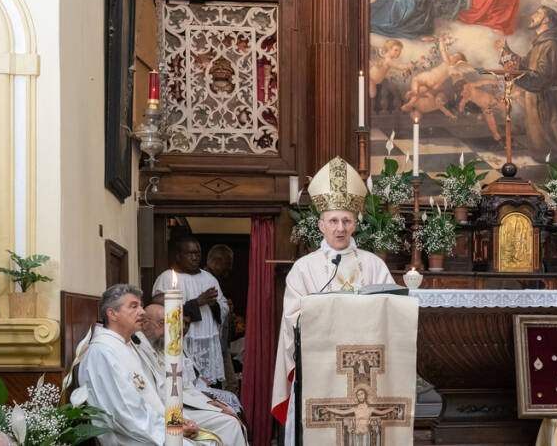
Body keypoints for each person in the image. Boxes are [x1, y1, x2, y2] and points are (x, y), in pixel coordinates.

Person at [272, 156, 395, 443]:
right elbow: (293, 319)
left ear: (355, 223)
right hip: (321, 368)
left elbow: (393, 308)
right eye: (333, 221)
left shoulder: (374, 265)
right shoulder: (304, 268)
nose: (340, 228)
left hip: (367, 369)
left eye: (346, 220)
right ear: (321, 224)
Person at [78, 284, 202, 445]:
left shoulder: (128, 346)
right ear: (112, 313)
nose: (142, 312)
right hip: (131, 438)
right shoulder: (102, 353)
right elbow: (126, 414)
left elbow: (157, 391)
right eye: (134, 306)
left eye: (141, 306)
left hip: (151, 428)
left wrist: (177, 421)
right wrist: (170, 431)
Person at [134, 304, 248, 446]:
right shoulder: (137, 349)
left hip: (183, 405)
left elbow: (185, 385)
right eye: (162, 323)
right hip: (164, 411)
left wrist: (211, 404)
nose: (168, 330)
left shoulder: (163, 347)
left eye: (170, 324)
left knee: (230, 418)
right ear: (144, 324)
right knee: (229, 424)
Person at [494, 6, 557, 159]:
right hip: (537, 101)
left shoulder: (551, 45)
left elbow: (543, 78)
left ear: (546, 20)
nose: (533, 16)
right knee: (543, 148)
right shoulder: (541, 44)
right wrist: (505, 50)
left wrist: (519, 78)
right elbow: (523, 64)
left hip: (547, 102)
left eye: (538, 13)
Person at [152, 236, 228, 387]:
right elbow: (159, 311)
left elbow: (223, 306)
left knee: (211, 388)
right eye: (190, 253)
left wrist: (214, 305)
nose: (195, 258)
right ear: (179, 256)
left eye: (198, 253)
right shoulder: (166, 278)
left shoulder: (209, 278)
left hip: (207, 344)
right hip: (183, 342)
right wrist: (197, 303)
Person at [204, 244, 236, 393]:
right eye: (227, 264)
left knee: (230, 384)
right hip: (211, 342)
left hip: (221, 343)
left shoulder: (214, 279)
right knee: (228, 385)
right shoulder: (204, 280)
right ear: (217, 261)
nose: (229, 269)